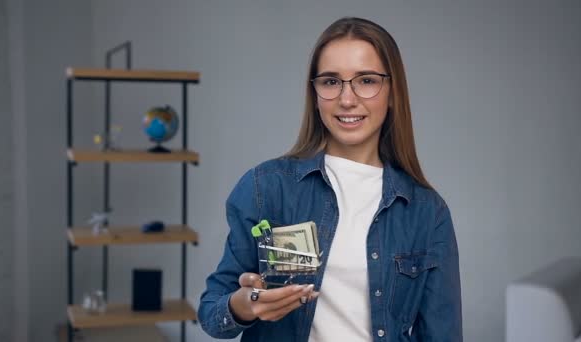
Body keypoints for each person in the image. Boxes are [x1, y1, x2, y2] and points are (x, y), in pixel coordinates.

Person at [198, 17, 462, 342]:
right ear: (315, 93)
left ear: (393, 92)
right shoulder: (267, 187)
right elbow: (212, 312)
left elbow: (442, 334)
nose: (347, 99)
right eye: (331, 81)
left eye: (366, 81)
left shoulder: (427, 211)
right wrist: (244, 305)